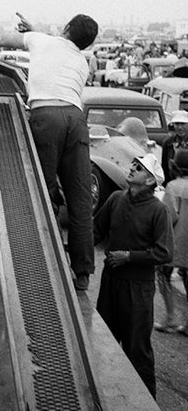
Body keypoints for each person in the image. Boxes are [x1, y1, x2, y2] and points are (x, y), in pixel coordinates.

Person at [0, 13, 99, 291]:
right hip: (75, 118)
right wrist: (37, 32)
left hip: (46, 117)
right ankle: (82, 273)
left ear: (67, 27)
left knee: (42, 194)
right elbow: (57, 50)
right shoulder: (82, 61)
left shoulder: (40, 41)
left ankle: (48, 263)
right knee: (80, 199)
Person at [93, 153, 173, 399]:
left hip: (138, 288)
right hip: (111, 282)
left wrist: (129, 257)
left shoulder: (158, 211)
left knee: (137, 349)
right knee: (103, 343)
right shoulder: (116, 199)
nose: (132, 168)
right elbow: (95, 231)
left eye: (139, 168)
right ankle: (104, 398)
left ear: (150, 181)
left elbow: (165, 252)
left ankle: (146, 401)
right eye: (134, 164)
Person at [155, 148, 188, 335]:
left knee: (162, 273)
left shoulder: (173, 186)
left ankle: (170, 318)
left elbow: (171, 216)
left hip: (175, 240)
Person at [161, 109, 188, 186]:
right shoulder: (168, 143)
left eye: (183, 124)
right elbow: (165, 167)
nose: (179, 127)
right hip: (173, 183)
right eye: (177, 124)